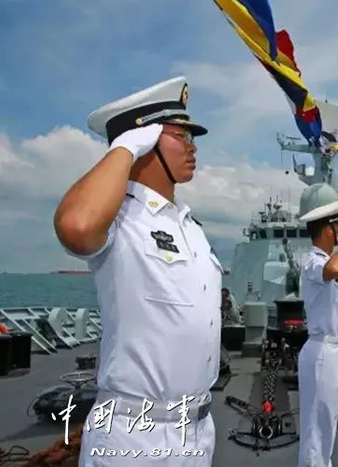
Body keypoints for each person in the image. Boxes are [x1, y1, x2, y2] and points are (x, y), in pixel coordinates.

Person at [53, 76, 222, 466]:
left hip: (197, 430)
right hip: (135, 435)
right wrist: (125, 147)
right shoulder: (121, 219)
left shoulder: (190, 227)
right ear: (146, 139)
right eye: (181, 135)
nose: (193, 146)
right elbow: (77, 227)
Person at [297, 196, 338, 466]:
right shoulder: (313, 262)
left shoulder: (324, 261)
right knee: (316, 425)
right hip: (322, 350)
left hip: (333, 350)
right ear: (330, 230)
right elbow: (335, 268)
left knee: (326, 419)